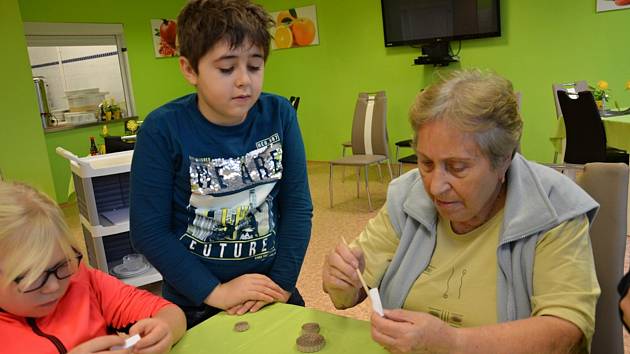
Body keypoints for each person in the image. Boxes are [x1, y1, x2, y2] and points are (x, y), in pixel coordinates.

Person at [322, 69, 601, 353]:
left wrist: (453, 342)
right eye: (425, 163)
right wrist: (341, 281)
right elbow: (351, 290)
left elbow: (567, 330)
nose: (435, 186)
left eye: (457, 167)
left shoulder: (552, 208)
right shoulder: (407, 196)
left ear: (504, 160)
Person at [129, 0, 313, 329]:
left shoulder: (280, 114)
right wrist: (216, 291)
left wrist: (282, 285)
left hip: (271, 289)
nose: (244, 80)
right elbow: (148, 230)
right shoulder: (162, 129)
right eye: (227, 69)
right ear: (189, 69)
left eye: (254, 66)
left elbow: (298, 207)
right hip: (196, 300)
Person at [0, 181, 186, 353]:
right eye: (31, 277)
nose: (54, 287)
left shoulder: (82, 280)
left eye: (62, 264)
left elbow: (170, 312)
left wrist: (164, 329)